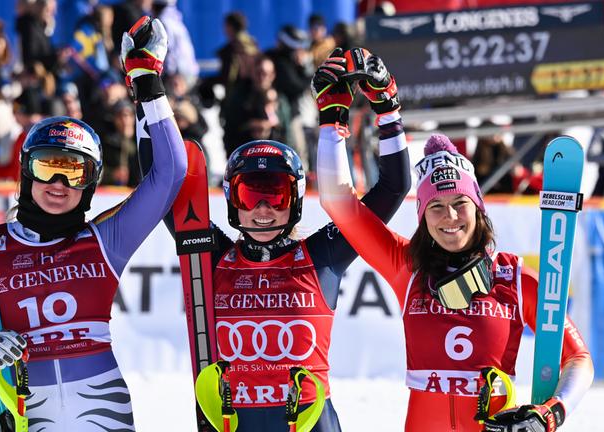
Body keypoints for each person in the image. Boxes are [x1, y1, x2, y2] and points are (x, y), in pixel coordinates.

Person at [0, 19, 187, 431]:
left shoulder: (105, 240)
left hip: (104, 412)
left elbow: (170, 172)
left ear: (91, 183)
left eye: (74, 172)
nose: (58, 184)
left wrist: (147, 80)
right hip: (27, 414)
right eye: (47, 167)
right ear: (26, 172)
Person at [139, 48, 411, 431]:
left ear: (296, 201)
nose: (263, 209)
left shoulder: (323, 255)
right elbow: (158, 183)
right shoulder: (212, 257)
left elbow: (393, 187)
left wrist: (387, 106)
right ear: (233, 201)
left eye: (277, 195)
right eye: (251, 194)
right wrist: (145, 83)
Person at [317, 67, 594, 430]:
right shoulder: (408, 267)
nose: (450, 217)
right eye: (435, 206)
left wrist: (550, 413)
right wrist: (331, 123)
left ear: (478, 209)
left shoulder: (513, 278)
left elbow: (579, 359)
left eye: (460, 203)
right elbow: (339, 203)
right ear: (422, 216)